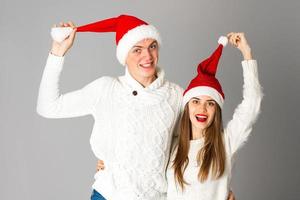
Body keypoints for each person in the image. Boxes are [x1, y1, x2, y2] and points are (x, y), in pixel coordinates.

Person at [37, 14, 236, 200]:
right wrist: (57, 53)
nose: (147, 56)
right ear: (124, 55)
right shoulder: (106, 89)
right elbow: (48, 106)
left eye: (152, 46)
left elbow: (194, 144)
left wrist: (216, 187)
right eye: (137, 49)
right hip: (109, 195)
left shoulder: (177, 96)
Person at [165, 33, 263, 199]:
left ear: (216, 110)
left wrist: (246, 53)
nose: (202, 109)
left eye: (210, 103)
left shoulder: (225, 144)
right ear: (187, 106)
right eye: (195, 101)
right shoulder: (172, 146)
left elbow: (252, 104)